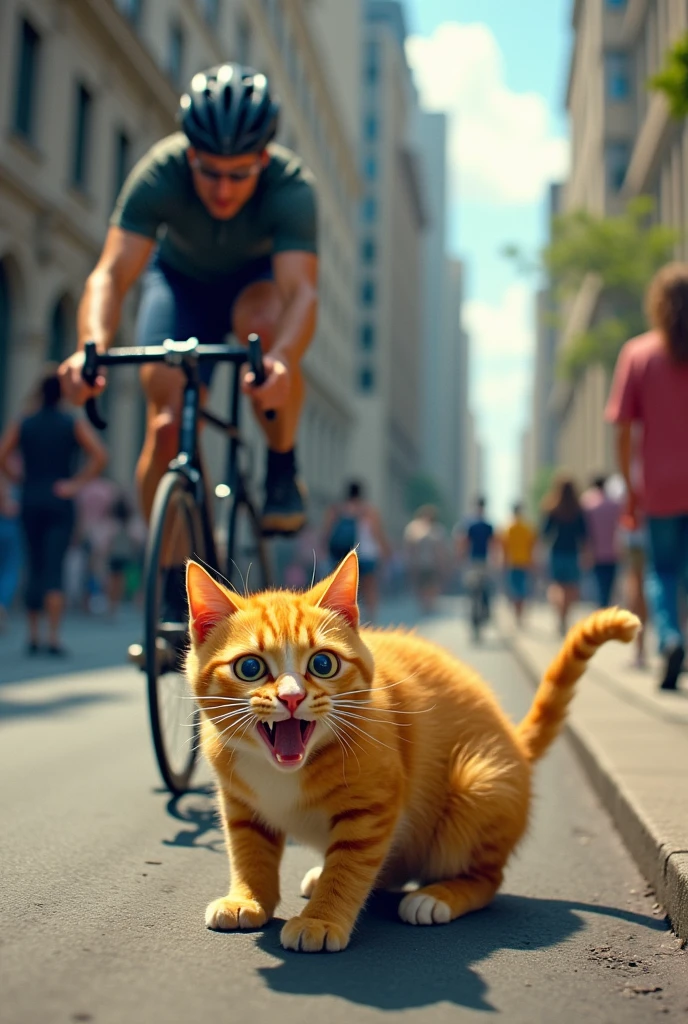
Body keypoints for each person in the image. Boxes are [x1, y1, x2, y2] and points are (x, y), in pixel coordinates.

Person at [58, 64, 318, 595]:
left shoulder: (291, 188)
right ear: (189, 153)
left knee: (267, 329)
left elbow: (301, 293)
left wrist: (284, 360)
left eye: (239, 174)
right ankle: (179, 579)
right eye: (209, 171)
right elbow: (111, 272)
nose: (222, 189)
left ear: (263, 161)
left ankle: (281, 466)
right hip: (181, 285)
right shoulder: (162, 171)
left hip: (257, 286)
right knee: (165, 425)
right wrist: (92, 346)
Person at [606, 262, 688, 690]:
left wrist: (632, 490)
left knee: (664, 570)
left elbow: (623, 430)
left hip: (659, 487)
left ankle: (670, 638)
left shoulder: (639, 354)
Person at [0, 368, 108, 654]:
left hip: (30, 498)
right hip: (59, 501)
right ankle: (53, 637)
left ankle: (33, 636)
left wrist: (17, 479)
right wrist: (75, 484)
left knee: (34, 566)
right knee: (54, 567)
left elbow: (2, 455)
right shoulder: (71, 423)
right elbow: (99, 456)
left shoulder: (23, 422)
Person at [323, 481, 390, 621]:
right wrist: (386, 550)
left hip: (342, 554)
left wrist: (325, 549)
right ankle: (371, 618)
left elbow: (326, 532)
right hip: (366, 554)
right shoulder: (369, 511)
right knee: (369, 586)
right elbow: (377, 533)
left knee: (342, 586)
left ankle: (339, 617)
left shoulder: (336, 510)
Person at [540, 475, 588, 636]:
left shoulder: (552, 508)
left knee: (557, 586)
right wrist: (587, 554)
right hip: (572, 552)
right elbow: (584, 535)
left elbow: (545, 533)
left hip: (556, 551)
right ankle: (565, 616)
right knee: (571, 587)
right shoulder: (577, 509)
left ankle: (560, 615)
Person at [580, 475, 622, 609]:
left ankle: (601, 610)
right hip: (614, 551)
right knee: (609, 587)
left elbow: (584, 532)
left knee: (597, 587)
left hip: (594, 553)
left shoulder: (587, 504)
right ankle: (605, 608)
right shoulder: (615, 504)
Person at [456, 497, 496, 630]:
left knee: (475, 586)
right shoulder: (487, 525)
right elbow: (492, 544)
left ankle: (480, 607)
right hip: (481, 560)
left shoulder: (470, 524)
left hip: (474, 560)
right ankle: (485, 608)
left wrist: (461, 557)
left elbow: (464, 542)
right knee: (483, 586)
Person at [403, 505, 448, 614]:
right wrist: (409, 560)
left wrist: (443, 564)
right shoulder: (414, 528)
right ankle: (423, 603)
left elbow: (440, 549)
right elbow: (409, 546)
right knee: (420, 584)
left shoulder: (437, 530)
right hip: (418, 562)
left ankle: (430, 603)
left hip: (432, 563)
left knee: (432, 584)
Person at [500, 502, 537, 626]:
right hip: (525, 562)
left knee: (514, 589)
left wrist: (503, 562)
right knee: (523, 589)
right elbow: (532, 545)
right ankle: (520, 614)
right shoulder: (527, 527)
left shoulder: (508, 527)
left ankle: (517, 614)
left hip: (512, 563)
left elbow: (504, 546)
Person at [0, 469, 21, 632]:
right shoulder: (9, 477)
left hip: (9, 527)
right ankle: (1, 607)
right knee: (9, 570)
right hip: (8, 526)